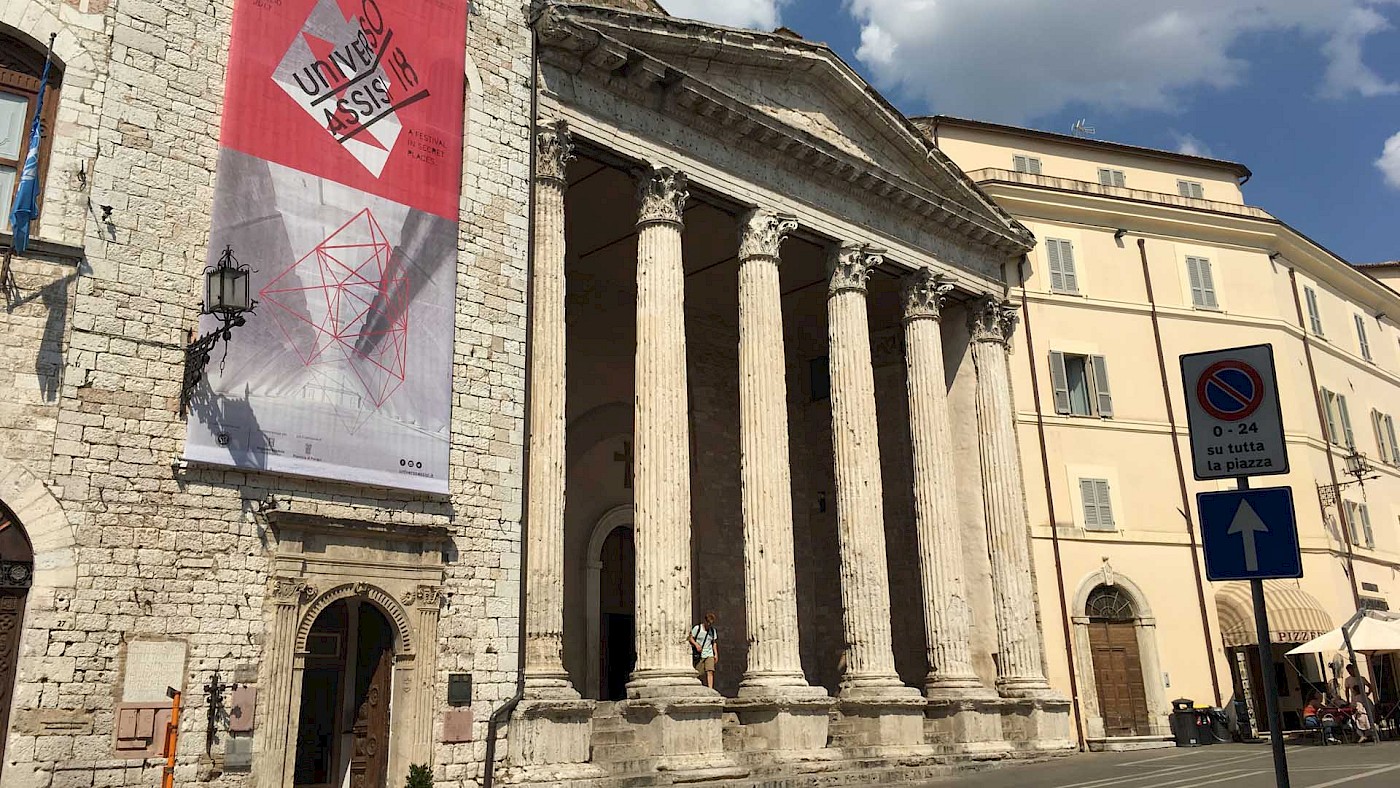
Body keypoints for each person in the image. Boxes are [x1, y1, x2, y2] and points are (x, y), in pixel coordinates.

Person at [1345, 663, 1378, 742]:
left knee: (1367, 714)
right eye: (1349, 671)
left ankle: (1370, 733)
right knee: (1357, 716)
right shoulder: (1348, 680)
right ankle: (1362, 734)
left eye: (1351, 670)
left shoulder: (1361, 678)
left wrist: (1368, 693)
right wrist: (1348, 700)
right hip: (1355, 700)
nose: (1350, 672)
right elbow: (1346, 690)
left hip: (1364, 699)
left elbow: (1370, 686)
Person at [689, 612, 719, 689]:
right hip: (700, 653)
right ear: (705, 621)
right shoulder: (697, 628)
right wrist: (696, 645)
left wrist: (716, 654)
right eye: (708, 623)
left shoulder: (712, 631)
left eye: (710, 623)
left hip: (709, 653)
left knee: (710, 671)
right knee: (699, 672)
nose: (709, 625)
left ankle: (710, 688)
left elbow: (714, 643)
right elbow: (690, 638)